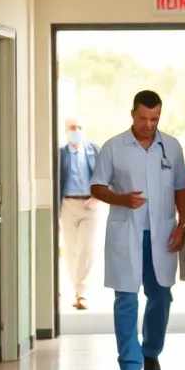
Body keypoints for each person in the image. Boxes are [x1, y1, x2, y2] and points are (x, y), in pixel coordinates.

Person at [91, 90, 185, 370]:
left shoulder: (171, 146)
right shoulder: (114, 147)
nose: (148, 125)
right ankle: (129, 367)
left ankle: (151, 351)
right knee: (126, 298)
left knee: (161, 296)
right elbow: (96, 186)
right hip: (127, 233)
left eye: (154, 119)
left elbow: (181, 188)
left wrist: (183, 225)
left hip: (162, 234)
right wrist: (121, 198)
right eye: (143, 118)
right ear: (132, 114)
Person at [59, 112, 103, 310]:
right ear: (66, 130)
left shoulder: (94, 151)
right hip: (68, 204)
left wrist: (99, 197)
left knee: (87, 248)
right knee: (71, 249)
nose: (76, 131)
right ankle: (75, 288)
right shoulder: (61, 154)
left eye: (79, 127)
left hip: (90, 205)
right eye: (72, 127)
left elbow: (106, 175)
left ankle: (82, 293)